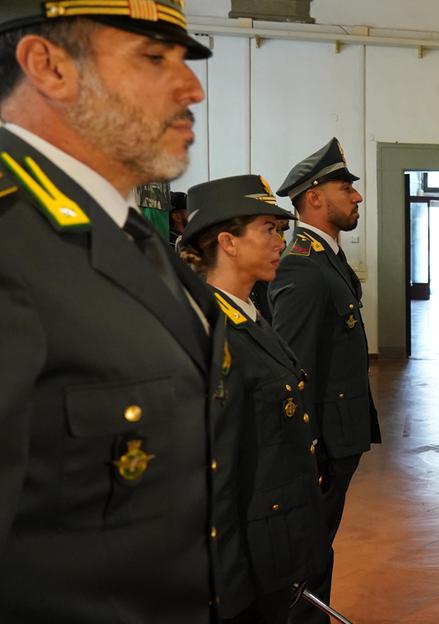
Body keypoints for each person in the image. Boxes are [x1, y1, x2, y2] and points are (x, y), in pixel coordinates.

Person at [0, 0, 225, 622]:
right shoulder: (0, 252)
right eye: (154, 58)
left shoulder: (125, 234)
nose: (192, 88)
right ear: (48, 66)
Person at [179, 175, 328, 623]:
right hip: (246, 559)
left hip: (275, 539)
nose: (281, 240)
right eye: (268, 229)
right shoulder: (209, 332)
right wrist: (228, 583)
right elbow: (213, 472)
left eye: (280, 230)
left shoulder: (248, 315)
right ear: (228, 242)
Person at [269, 137, 380, 623]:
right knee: (309, 554)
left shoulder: (327, 257)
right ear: (313, 197)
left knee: (319, 545)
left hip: (339, 433)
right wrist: (306, 450)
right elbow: (296, 369)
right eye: (346, 188)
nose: (357, 197)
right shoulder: (303, 267)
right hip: (323, 442)